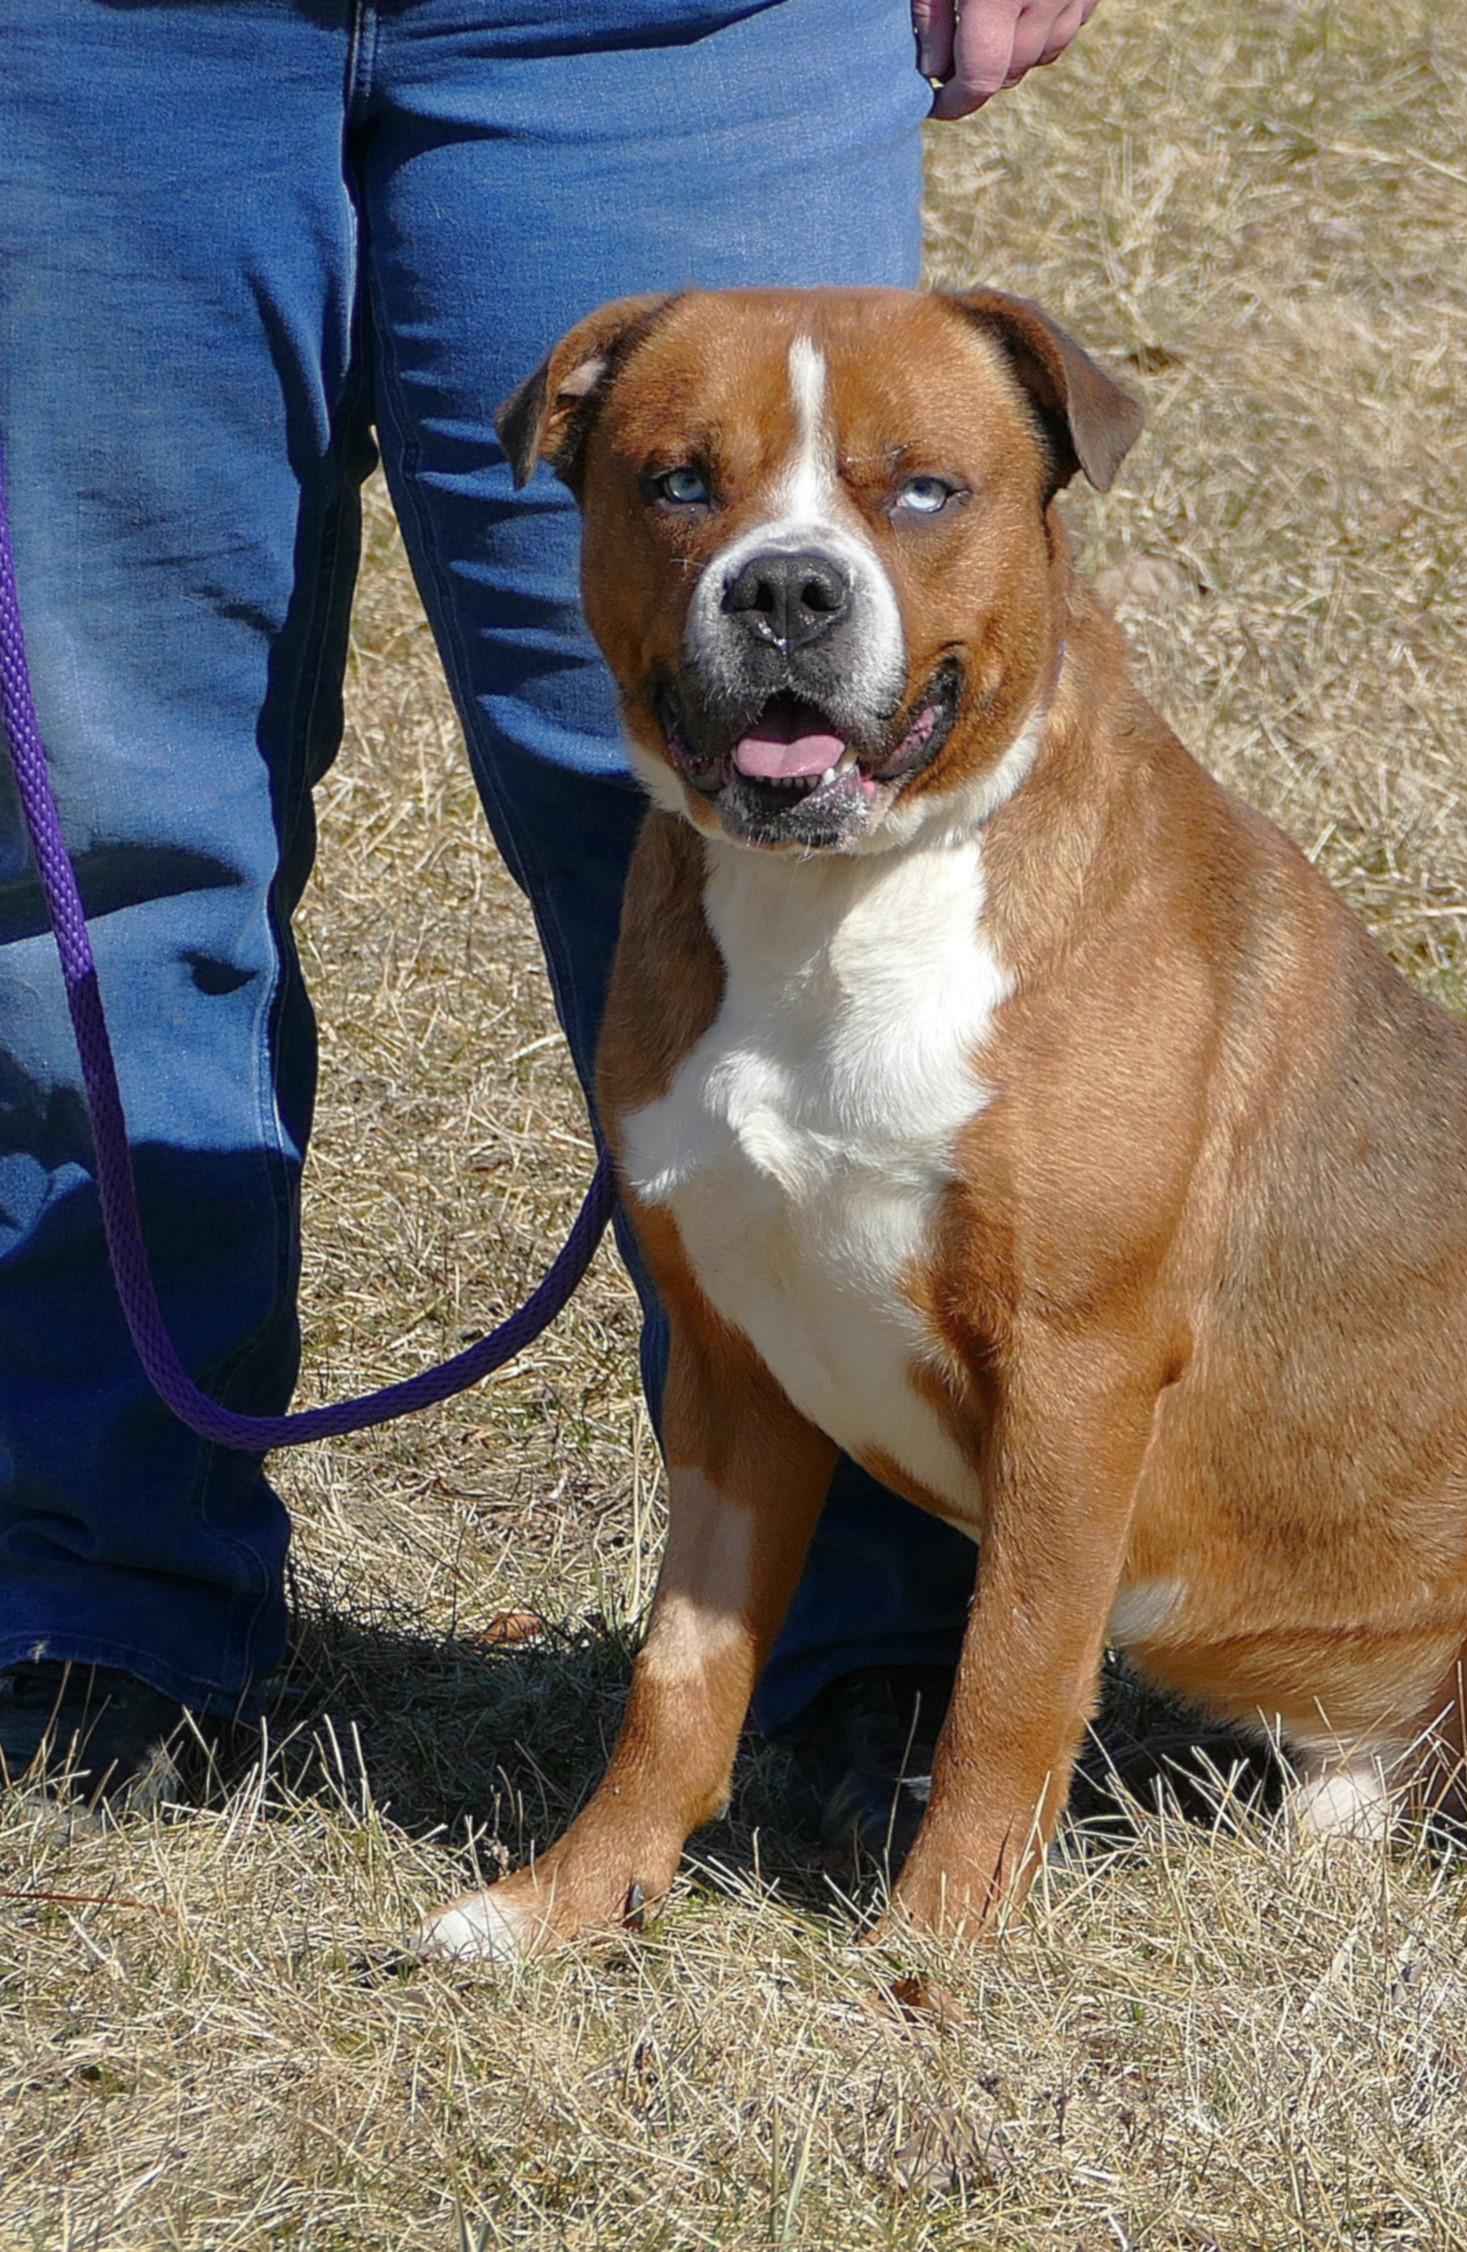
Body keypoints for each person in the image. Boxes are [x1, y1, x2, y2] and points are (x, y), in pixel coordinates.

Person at [0, 0, 1103, 1847]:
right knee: (87, 857)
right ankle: (93, 1603)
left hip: (664, 33)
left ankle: (880, 1646)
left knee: (782, 777)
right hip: (89, 45)